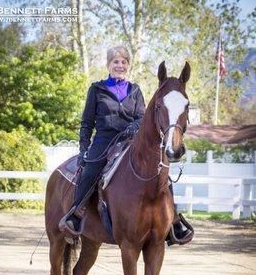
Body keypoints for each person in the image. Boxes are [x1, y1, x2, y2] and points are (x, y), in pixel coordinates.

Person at [59, 45, 193, 245]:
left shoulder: (135, 90)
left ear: (128, 66)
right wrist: (83, 148)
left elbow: (142, 117)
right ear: (108, 65)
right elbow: (87, 122)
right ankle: (76, 213)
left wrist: (134, 128)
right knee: (90, 170)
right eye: (116, 62)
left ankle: (172, 221)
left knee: (161, 170)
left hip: (130, 140)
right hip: (104, 140)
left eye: (123, 62)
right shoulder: (97, 89)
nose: (119, 66)